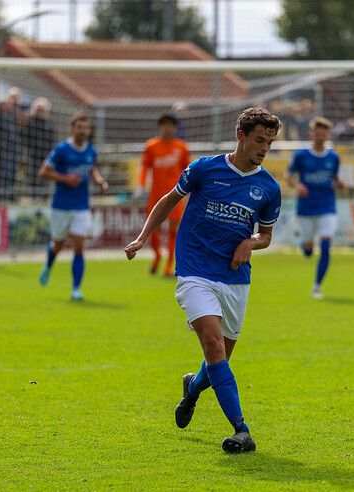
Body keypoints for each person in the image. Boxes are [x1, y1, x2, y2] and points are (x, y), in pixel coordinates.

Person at [123, 107, 282, 454]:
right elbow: (168, 201)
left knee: (219, 358)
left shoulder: (268, 187)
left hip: (235, 280)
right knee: (211, 345)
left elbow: (266, 235)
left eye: (269, 143)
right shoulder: (204, 169)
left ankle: (192, 388)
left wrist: (249, 242)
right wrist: (143, 237)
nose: (264, 148)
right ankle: (242, 430)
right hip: (195, 271)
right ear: (241, 136)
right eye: (259, 140)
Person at [37, 113, 109, 301]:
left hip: (81, 205)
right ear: (72, 129)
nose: (83, 130)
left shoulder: (91, 151)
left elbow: (91, 169)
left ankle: (76, 289)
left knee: (79, 246)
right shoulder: (61, 150)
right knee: (58, 244)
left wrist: (100, 181)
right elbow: (43, 172)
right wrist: (65, 179)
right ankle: (49, 264)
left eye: (86, 127)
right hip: (60, 205)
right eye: (79, 127)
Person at [286, 117, 345, 300]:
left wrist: (339, 183)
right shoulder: (301, 155)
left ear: (328, 134)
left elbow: (334, 177)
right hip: (306, 208)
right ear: (312, 134)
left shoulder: (334, 157)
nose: (320, 136)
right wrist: (297, 185)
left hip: (327, 206)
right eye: (317, 133)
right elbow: (289, 175)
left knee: (326, 246)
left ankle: (317, 287)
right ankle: (304, 244)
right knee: (308, 251)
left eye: (324, 133)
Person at [136, 114, 191, 276]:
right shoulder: (151, 146)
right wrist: (140, 185)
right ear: (160, 127)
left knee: (174, 230)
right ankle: (157, 256)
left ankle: (168, 264)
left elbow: (188, 170)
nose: (168, 129)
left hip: (175, 195)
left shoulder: (182, 147)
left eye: (171, 125)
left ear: (176, 127)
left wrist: (191, 188)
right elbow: (145, 167)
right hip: (156, 194)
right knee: (153, 229)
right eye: (164, 125)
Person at [24, 97, 55, 198]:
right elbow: (25, 138)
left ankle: (44, 197)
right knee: (33, 178)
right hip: (33, 156)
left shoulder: (49, 124)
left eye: (42, 109)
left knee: (45, 179)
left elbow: (52, 140)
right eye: (38, 109)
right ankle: (32, 197)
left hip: (46, 157)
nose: (40, 111)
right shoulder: (30, 122)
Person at [0, 100, 20, 202]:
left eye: (8, 105)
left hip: (14, 151)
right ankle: (1, 197)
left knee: (13, 175)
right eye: (4, 105)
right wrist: (2, 148)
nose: (6, 107)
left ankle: (10, 195)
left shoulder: (11, 118)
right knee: (4, 175)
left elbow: (15, 134)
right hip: (4, 152)